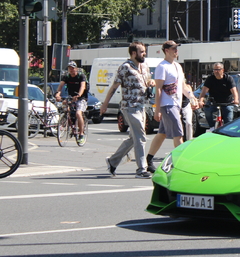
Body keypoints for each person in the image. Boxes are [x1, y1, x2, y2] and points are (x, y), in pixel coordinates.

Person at [100, 42, 153, 178]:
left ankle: (113, 161)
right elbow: (114, 86)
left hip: (142, 106)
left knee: (133, 138)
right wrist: (105, 104)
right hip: (130, 107)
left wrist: (151, 83)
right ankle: (141, 169)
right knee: (140, 137)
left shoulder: (145, 66)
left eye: (144, 51)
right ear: (134, 53)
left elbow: (148, 81)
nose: (144, 54)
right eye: (142, 51)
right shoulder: (125, 67)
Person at [146, 40, 197, 172]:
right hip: (167, 104)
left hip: (176, 104)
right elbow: (158, 89)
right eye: (174, 49)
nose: (176, 51)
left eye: (177, 49)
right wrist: (157, 109)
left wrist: (192, 97)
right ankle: (181, 164)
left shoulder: (177, 66)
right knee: (178, 134)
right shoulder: (162, 67)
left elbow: (183, 86)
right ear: (166, 51)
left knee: (162, 133)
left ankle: (149, 160)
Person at [55, 61, 88, 143]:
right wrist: (58, 94)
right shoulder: (66, 76)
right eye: (70, 68)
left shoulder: (81, 76)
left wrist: (79, 95)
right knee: (66, 108)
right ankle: (69, 124)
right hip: (71, 97)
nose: (71, 70)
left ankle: (81, 134)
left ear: (76, 69)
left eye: (73, 68)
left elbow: (83, 86)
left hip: (81, 98)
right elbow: (60, 86)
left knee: (78, 113)